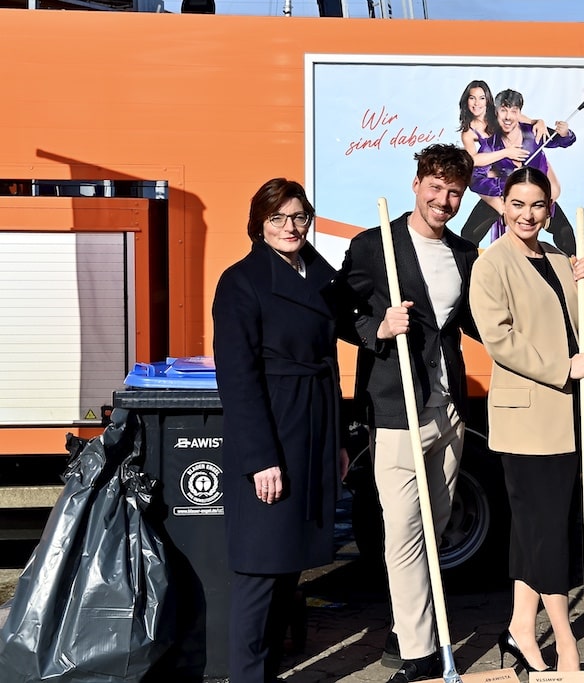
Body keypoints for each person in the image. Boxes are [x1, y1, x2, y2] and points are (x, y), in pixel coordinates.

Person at [325, 143, 479, 683]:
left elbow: (483, 320)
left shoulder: (463, 253)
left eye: (455, 191)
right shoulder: (375, 246)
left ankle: (404, 623)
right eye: (435, 187)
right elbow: (338, 311)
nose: (444, 200)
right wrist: (377, 330)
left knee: (434, 533)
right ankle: (418, 653)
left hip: (447, 410)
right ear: (417, 184)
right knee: (403, 534)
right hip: (396, 409)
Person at [212, 178, 347, 683]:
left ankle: (266, 672)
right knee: (260, 569)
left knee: (290, 565)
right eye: (278, 218)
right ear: (259, 224)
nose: (290, 227)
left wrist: (335, 443)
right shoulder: (241, 281)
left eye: (298, 217)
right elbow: (238, 378)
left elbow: (339, 342)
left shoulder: (318, 274)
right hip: (272, 433)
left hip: (312, 429)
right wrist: (260, 459)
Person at [468, 166, 584, 673]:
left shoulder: (562, 261)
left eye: (537, 205)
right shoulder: (491, 265)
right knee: (548, 534)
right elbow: (499, 338)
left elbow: (574, 328)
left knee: (534, 530)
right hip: (526, 421)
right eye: (517, 204)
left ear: (549, 210)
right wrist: (561, 368)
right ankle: (564, 638)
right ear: (502, 207)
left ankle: (522, 626)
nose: (527, 214)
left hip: (565, 417)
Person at [461, 88, 578, 255]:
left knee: (565, 232)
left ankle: (573, 273)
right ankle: (468, 274)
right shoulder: (491, 145)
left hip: (536, 196)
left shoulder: (533, 133)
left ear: (519, 113)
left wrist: (565, 133)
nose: (508, 117)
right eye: (503, 110)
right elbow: (475, 180)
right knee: (468, 234)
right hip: (504, 198)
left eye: (514, 111)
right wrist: (504, 187)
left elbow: (561, 140)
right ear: (496, 112)